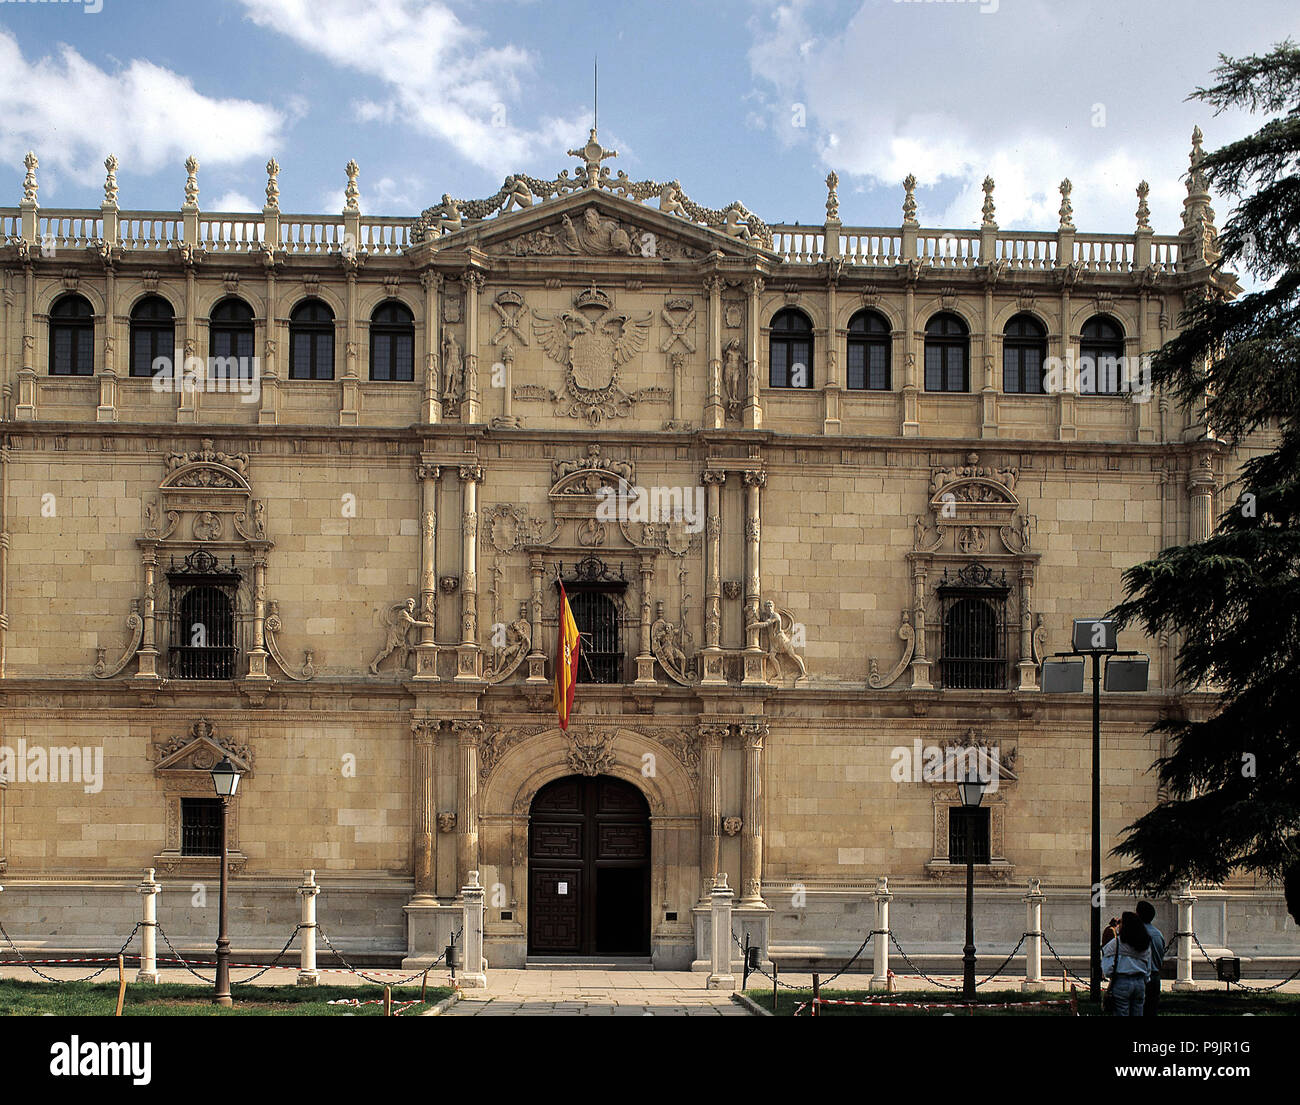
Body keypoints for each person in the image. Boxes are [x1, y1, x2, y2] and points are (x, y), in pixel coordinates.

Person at [1100, 911, 1152, 1016]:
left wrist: (1112, 977)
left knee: (1121, 1011)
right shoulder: (1144, 943)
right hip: (1140, 982)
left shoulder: (1116, 943)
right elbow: (1148, 966)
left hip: (1122, 981)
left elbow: (1107, 968)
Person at [1136, 900, 1166, 1017]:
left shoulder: (1136, 933)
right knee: (1152, 1009)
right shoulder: (1158, 934)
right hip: (1154, 977)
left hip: (1140, 977)